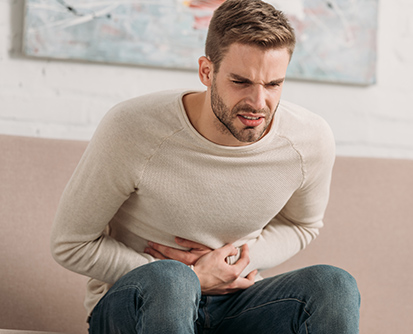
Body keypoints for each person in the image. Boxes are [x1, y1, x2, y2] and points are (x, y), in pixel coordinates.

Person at [50, 0, 360, 333]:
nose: (259, 103)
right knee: (173, 281)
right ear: (206, 72)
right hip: (141, 299)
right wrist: (193, 276)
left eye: (273, 85)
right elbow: (70, 243)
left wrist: (232, 263)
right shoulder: (133, 127)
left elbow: (303, 225)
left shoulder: (308, 139)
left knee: (333, 285)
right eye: (241, 82)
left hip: (235, 298)